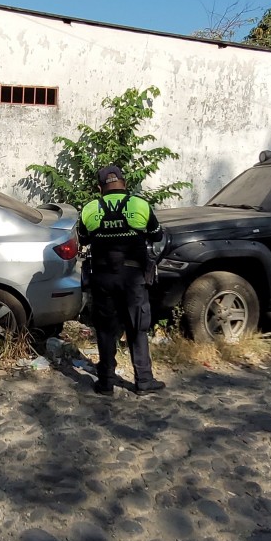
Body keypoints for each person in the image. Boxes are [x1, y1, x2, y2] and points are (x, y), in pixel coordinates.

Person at [77, 164, 166, 396]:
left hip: (103, 278)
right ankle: (144, 381)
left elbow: (83, 239)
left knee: (106, 330)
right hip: (134, 277)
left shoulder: (90, 209)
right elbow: (157, 234)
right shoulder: (140, 205)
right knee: (137, 327)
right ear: (125, 184)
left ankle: (106, 382)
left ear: (100, 188)